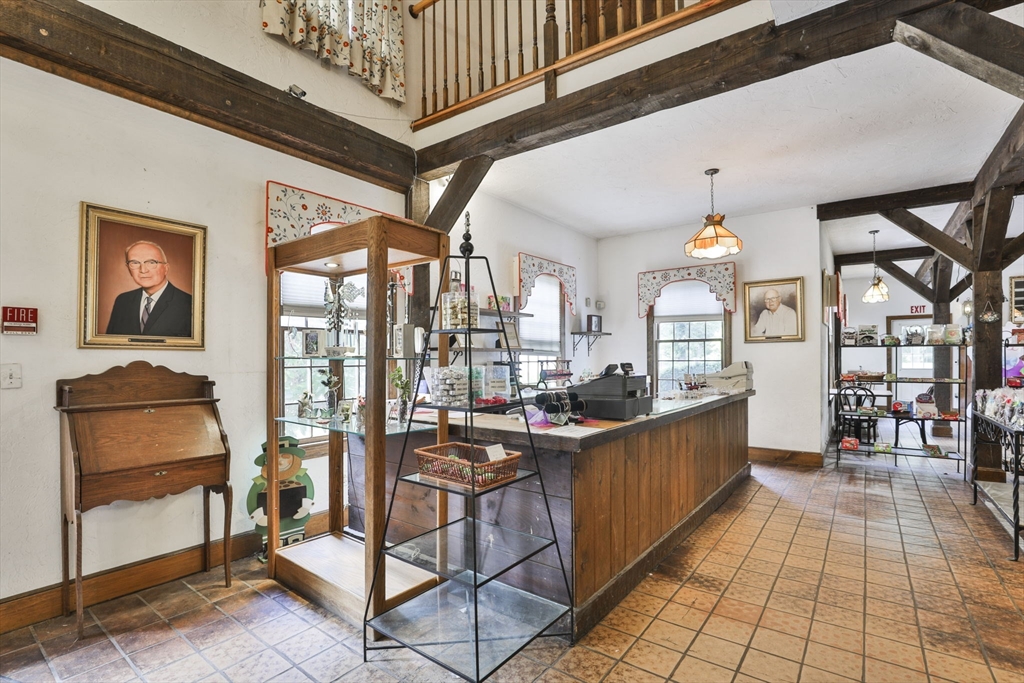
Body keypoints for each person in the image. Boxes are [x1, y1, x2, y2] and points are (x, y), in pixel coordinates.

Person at [105, 240, 192, 336]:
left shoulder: (189, 304)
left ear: (166, 268)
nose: (143, 270)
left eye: (151, 262)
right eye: (135, 263)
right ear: (128, 269)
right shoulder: (122, 301)